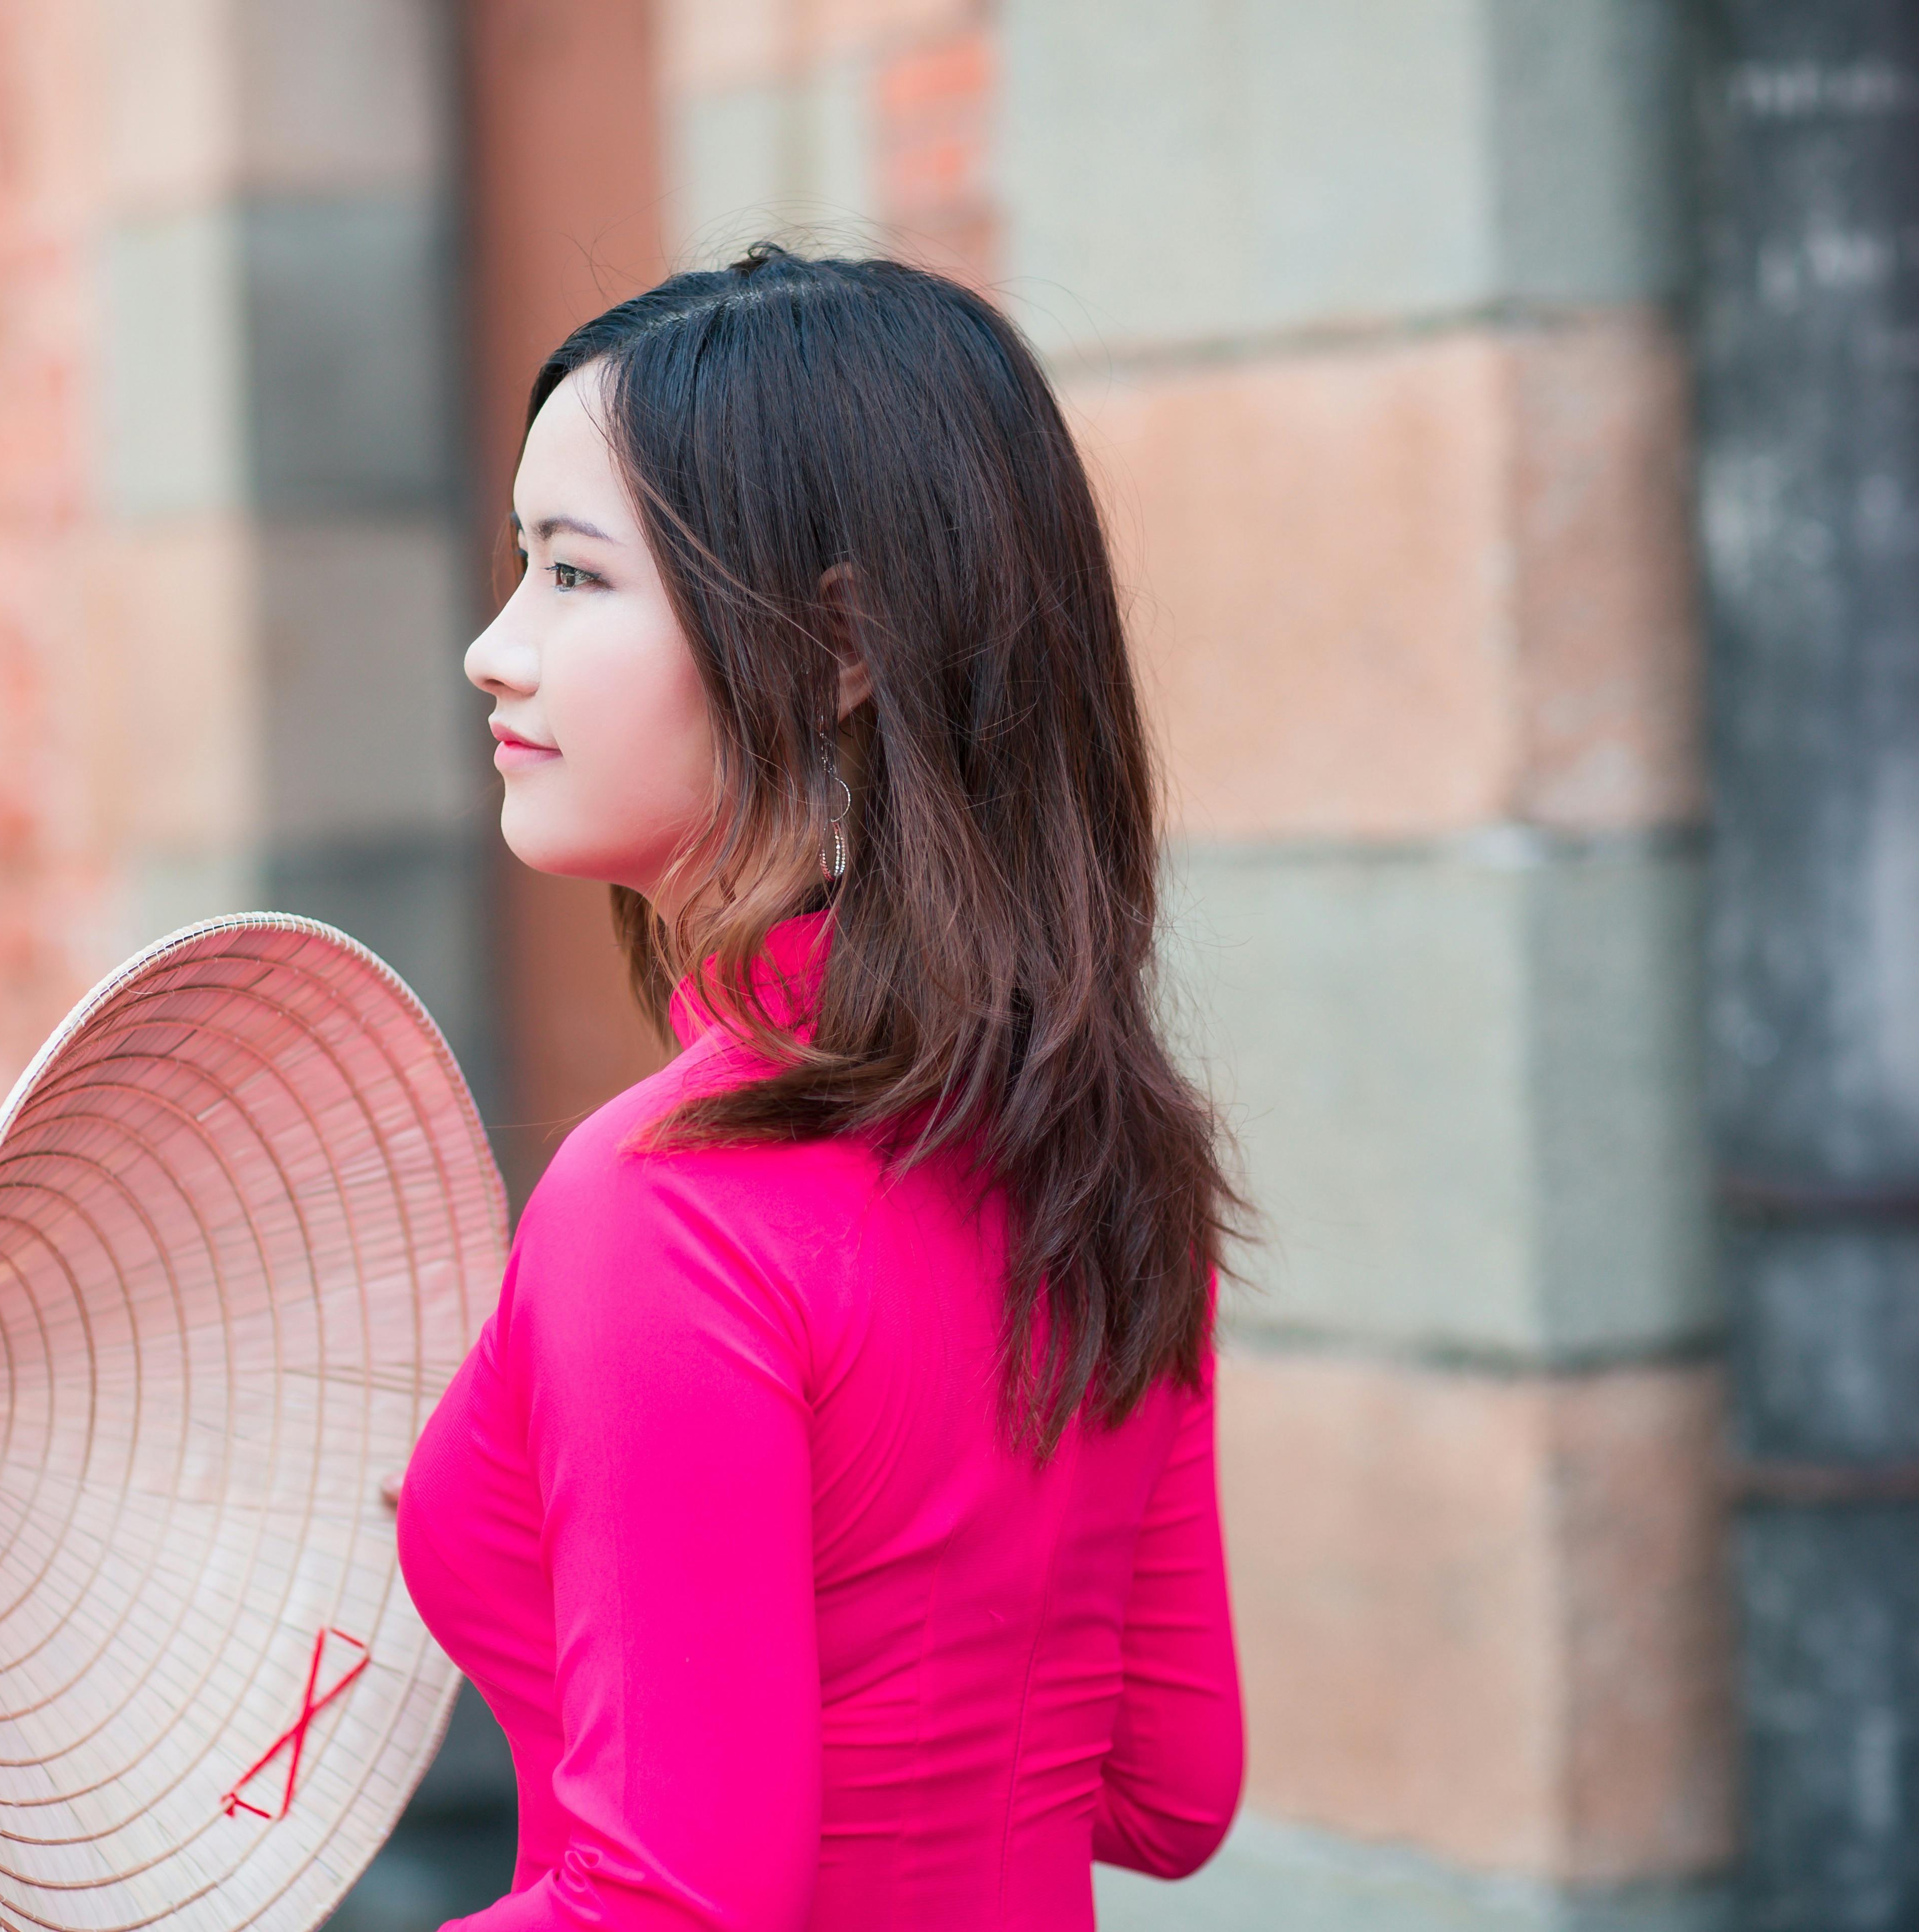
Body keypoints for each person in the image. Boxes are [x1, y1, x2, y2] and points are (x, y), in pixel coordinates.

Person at [406, 246, 1247, 1928]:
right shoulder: (1101, 1148)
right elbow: (1166, 1785)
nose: (496, 650)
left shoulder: (665, 1212)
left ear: (840, 643)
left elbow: (670, 1906)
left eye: (575, 575)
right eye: (520, 567)